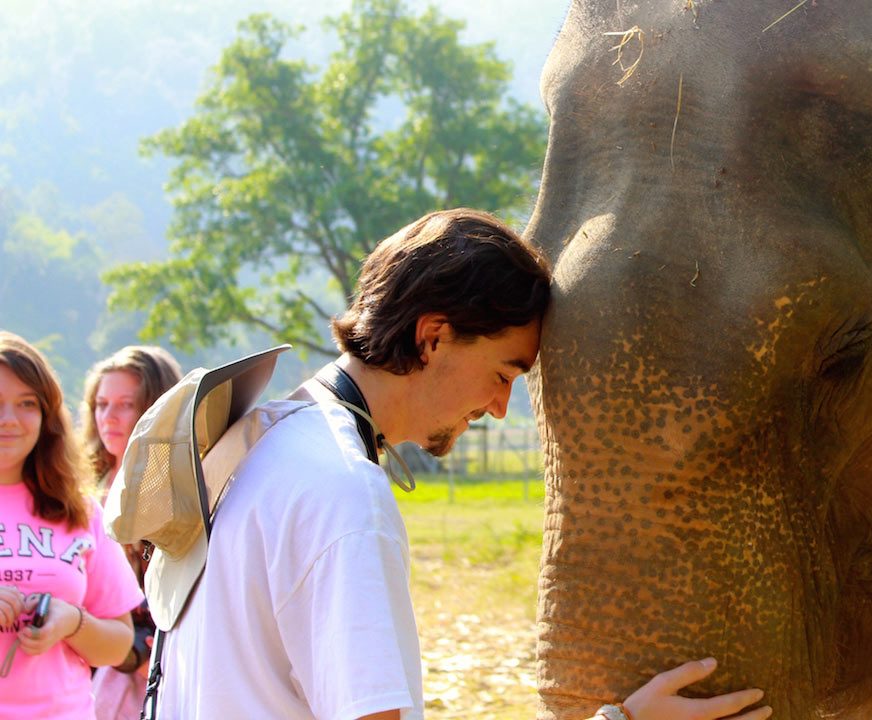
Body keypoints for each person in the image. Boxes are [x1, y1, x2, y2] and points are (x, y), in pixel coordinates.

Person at [156, 208, 771, 720]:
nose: (501, 408)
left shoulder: (259, 445)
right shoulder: (342, 491)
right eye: (504, 372)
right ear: (433, 337)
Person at [0, 332, 143, 719]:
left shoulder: (80, 511)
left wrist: (72, 622)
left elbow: (119, 646)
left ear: (47, 415)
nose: (9, 420)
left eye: (26, 404)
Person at [81, 346, 182, 720]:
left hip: (154, 674)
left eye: (125, 404)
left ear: (156, 408)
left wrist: (147, 654)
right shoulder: (78, 483)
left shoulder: (179, 491)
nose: (109, 417)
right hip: (76, 660)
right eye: (102, 404)